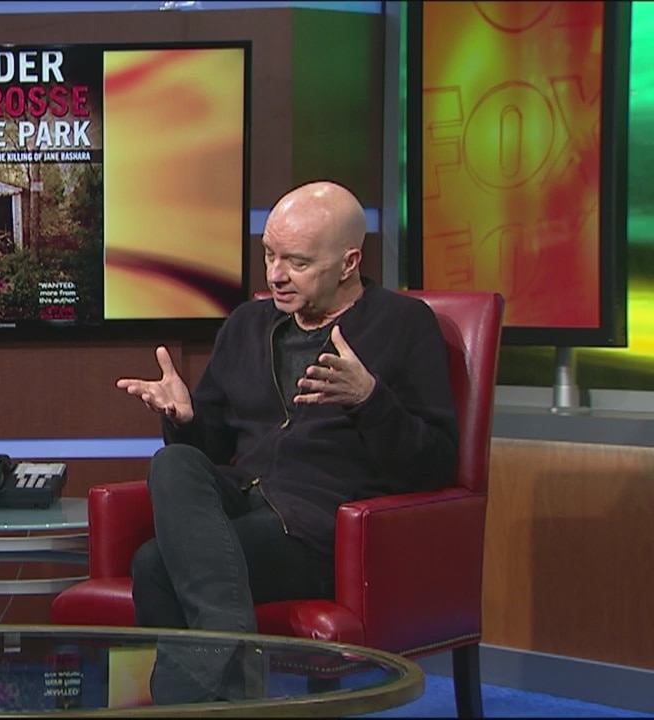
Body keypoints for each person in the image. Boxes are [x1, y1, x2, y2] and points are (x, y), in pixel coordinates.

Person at [117, 180, 459, 635]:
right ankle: (232, 665)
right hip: (242, 500)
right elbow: (211, 451)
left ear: (349, 262)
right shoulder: (246, 324)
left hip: (317, 527)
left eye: (297, 263)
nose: (275, 275)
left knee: (155, 564)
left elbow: (433, 465)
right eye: (269, 255)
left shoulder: (403, 325)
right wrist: (185, 420)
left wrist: (369, 400)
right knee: (173, 461)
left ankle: (217, 675)